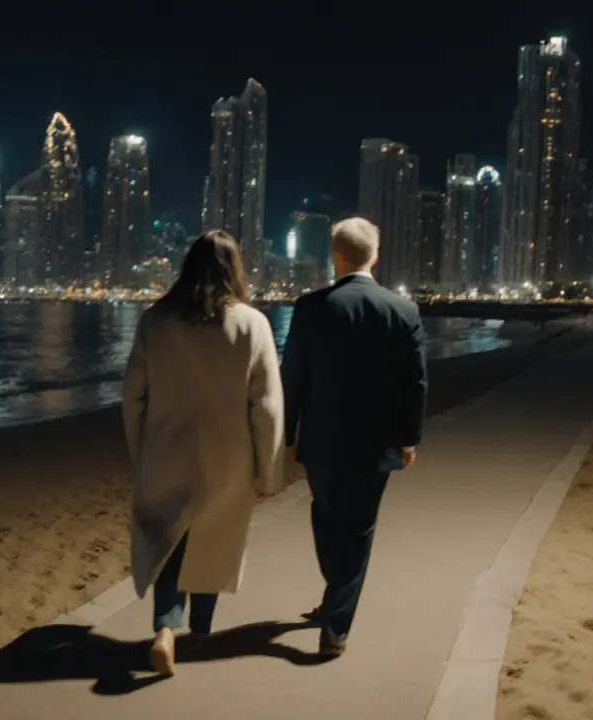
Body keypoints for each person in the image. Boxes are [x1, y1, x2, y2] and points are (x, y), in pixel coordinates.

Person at [121, 229, 285, 677]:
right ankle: (202, 631)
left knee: (170, 540)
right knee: (214, 538)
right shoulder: (252, 324)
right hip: (228, 454)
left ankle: (165, 629)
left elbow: (134, 395)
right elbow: (267, 406)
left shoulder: (156, 320)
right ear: (235, 270)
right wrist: (269, 471)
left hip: (166, 449)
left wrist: (142, 451)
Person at [280, 217, 428, 658]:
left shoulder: (310, 308)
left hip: (321, 440)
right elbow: (415, 383)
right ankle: (336, 616)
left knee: (326, 517)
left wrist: (287, 434)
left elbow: (293, 378)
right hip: (376, 442)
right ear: (375, 256)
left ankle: (334, 620)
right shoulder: (403, 311)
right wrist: (409, 437)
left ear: (334, 256)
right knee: (358, 529)